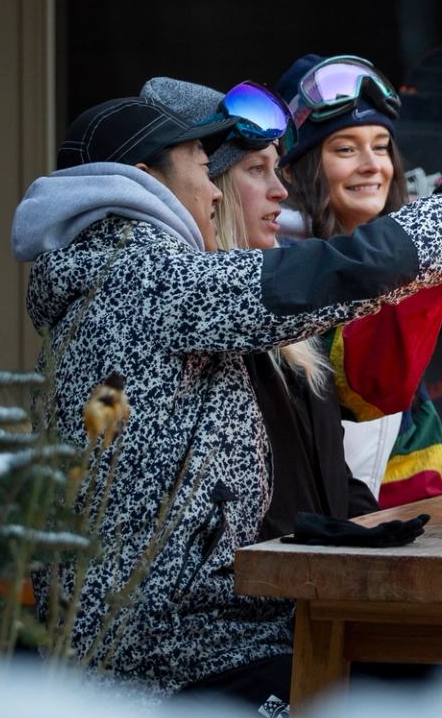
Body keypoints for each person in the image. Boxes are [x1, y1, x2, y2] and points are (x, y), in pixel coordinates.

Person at [10, 86, 442, 711]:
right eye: (200, 164)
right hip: (180, 670)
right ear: (141, 180)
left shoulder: (129, 278)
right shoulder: (140, 279)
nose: (216, 191)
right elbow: (349, 269)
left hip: (230, 635)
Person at [140, 76, 381, 537]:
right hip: (257, 599)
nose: (280, 190)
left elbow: (328, 476)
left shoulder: (286, 314)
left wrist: (371, 532)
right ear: (208, 187)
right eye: (255, 169)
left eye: (278, 169)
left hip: (314, 594)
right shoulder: (197, 308)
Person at [274, 53, 442, 508]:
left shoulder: (396, 258)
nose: (372, 165)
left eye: (380, 146)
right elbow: (363, 387)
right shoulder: (275, 267)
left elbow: (412, 462)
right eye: (344, 148)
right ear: (299, 166)